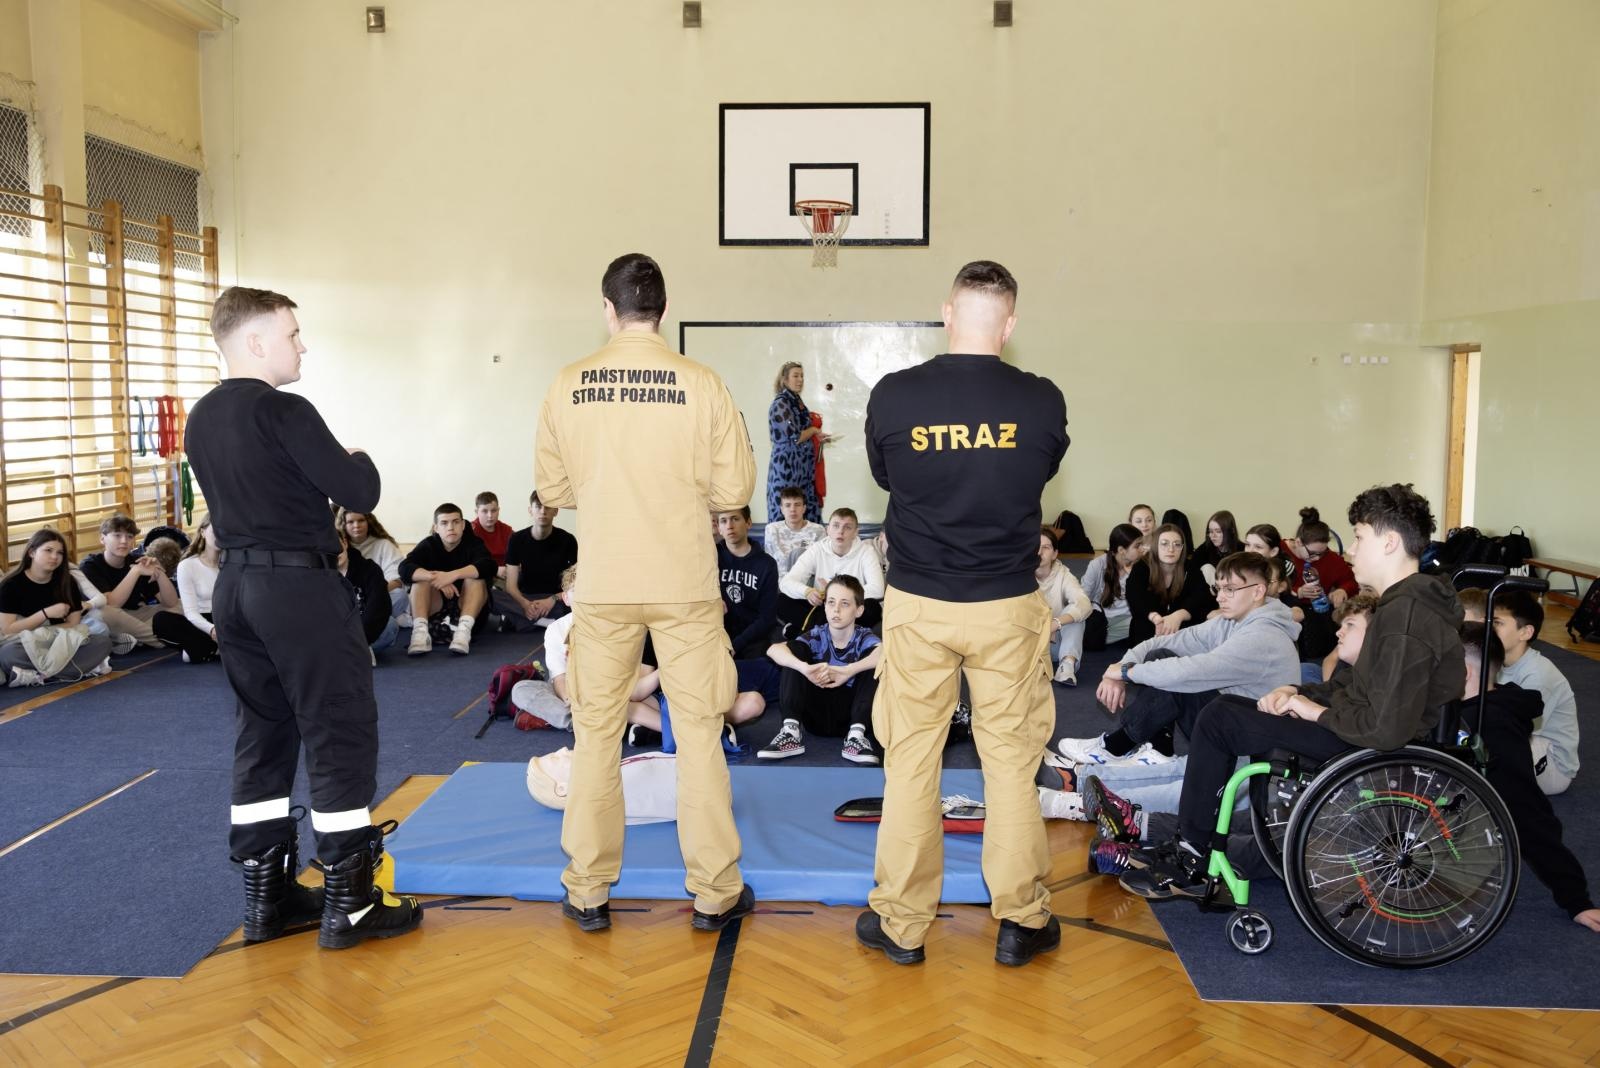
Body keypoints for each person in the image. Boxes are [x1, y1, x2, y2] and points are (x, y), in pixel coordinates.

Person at [186, 286, 419, 949]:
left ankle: (268, 901)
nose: (302, 343)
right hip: (297, 592)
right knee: (337, 729)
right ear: (255, 341)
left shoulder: (201, 417)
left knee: (262, 737)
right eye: (292, 332)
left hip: (236, 591)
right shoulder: (284, 409)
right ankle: (352, 905)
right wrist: (359, 457)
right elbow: (360, 493)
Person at [535, 252, 757, 934]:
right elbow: (734, 493)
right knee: (699, 735)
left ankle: (588, 891)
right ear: (663, 308)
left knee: (597, 733)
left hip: (603, 588)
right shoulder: (703, 382)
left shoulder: (568, 385)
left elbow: (554, 493)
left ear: (609, 309)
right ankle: (715, 893)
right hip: (685, 585)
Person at [859, 259, 1069, 967]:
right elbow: (1037, 472)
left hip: (919, 604)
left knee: (911, 760)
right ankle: (1021, 919)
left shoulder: (894, 396)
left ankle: (901, 923)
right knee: (1010, 764)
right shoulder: (1042, 402)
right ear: (1009, 325)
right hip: (1006, 606)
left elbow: (889, 477)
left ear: (946, 313)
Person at [1120, 483, 1464, 902]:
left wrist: (1311, 711)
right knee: (1224, 710)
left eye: (1358, 537)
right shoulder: (1400, 606)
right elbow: (1352, 686)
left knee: (1220, 718)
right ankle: (1193, 845)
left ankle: (1193, 854)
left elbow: (1385, 727)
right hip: (1357, 729)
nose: (1351, 551)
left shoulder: (1407, 615)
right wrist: (1298, 691)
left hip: (1374, 748)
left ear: (1390, 542)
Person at [1056, 550, 1299, 765]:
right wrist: (1121, 667)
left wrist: (1127, 673)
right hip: (1231, 717)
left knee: (1180, 676)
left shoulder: (1263, 637)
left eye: (1230, 590)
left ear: (1258, 591)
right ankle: (1160, 751)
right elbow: (1168, 641)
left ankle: (1116, 746)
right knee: (1160, 655)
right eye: (1219, 588)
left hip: (1251, 745)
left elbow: (1194, 672)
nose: (1220, 597)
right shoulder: (1231, 620)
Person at [1458, 623, 1599, 931]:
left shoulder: (1493, 726)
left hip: (1472, 835)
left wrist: (1576, 900)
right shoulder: (1465, 710)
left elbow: (1528, 812)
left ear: (1464, 674)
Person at [759, 574, 883, 764]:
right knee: (793, 654)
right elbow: (773, 650)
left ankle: (857, 736)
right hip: (815, 716)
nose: (836, 610)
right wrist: (805, 668)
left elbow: (886, 652)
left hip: (851, 716)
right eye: (831, 602)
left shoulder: (863, 637)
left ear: (859, 610)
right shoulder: (818, 635)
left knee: (874, 660)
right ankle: (791, 732)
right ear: (824, 606)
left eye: (845, 604)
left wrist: (849, 670)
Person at [79, 513, 212, 660]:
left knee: (181, 605)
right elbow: (113, 603)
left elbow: (170, 602)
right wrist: (134, 572)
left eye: (129, 536)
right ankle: (162, 639)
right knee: (104, 612)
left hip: (137, 616)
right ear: (102, 539)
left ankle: (138, 639)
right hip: (112, 616)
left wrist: (160, 572)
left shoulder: (138, 560)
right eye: (117, 535)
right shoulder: (90, 565)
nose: (124, 541)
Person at [1490, 590, 1579, 794]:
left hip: (1555, 768)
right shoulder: (1499, 662)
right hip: (1529, 742)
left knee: (1498, 742)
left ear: (1525, 633)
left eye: (1497, 623)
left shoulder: (1538, 676)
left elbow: (1521, 733)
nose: (1488, 628)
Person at [0, 528, 113, 686]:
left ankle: (38, 676)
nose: (54, 557)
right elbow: (8, 629)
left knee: (103, 643)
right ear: (31, 552)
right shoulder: (11, 584)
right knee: (8, 654)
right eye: (48, 550)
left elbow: (73, 624)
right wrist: (45, 614)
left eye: (60, 553)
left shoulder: (67, 582)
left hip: (58, 639)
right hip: (26, 641)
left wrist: (49, 633)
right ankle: (74, 671)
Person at [399, 503, 496, 657]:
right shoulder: (428, 545)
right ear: (436, 527)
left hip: (468, 611)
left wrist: (454, 575)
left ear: (463, 525)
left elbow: (489, 566)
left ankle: (463, 633)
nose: (451, 527)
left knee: (475, 578)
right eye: (444, 523)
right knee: (420, 579)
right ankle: (420, 633)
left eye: (456, 522)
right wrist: (435, 578)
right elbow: (404, 568)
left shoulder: (474, 543)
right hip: (436, 611)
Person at [777, 507, 885, 632]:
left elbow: (877, 589)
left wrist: (836, 593)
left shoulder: (866, 551)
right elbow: (786, 582)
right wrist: (807, 591)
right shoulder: (817, 549)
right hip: (822, 605)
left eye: (847, 527)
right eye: (836, 526)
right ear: (828, 530)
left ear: (856, 532)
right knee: (782, 600)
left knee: (873, 608)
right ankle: (826, 634)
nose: (841, 531)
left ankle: (806, 632)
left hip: (849, 607)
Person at [499, 490, 579, 632]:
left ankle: (519, 620)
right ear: (531, 510)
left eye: (548, 507)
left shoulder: (568, 540)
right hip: (526, 597)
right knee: (492, 596)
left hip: (556, 599)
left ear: (556, 511)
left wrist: (551, 600)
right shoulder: (517, 539)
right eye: (538, 506)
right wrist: (525, 604)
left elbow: (576, 582)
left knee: (573, 603)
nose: (543, 511)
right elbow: (511, 586)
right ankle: (543, 622)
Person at [1125, 523, 1215, 645]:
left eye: (1177, 544)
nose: (1171, 549)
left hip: (1181, 628)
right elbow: (1135, 596)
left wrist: (1179, 615)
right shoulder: (1142, 567)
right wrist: (1155, 618)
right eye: (1164, 544)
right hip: (1150, 627)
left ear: (1182, 548)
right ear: (1155, 546)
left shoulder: (1190, 567)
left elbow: (1203, 596)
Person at [767, 362, 830, 523]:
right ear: (784, 380)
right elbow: (796, 436)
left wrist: (817, 437)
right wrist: (814, 431)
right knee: (786, 517)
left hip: (803, 472)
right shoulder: (781, 403)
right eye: (795, 376)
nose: (800, 379)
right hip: (787, 471)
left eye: (802, 376)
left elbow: (804, 432)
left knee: (809, 518)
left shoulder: (797, 402)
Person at [717, 506, 779, 659]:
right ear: (718, 528)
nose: (729, 526)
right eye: (723, 521)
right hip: (715, 635)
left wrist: (735, 646)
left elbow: (767, 618)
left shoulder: (767, 564)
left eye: (735, 519)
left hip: (751, 640)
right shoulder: (711, 556)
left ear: (748, 523)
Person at [1035, 528, 1092, 686]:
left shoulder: (1063, 574)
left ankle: (1067, 666)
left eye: (1046, 548)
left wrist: (1056, 624)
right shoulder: (1020, 575)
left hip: (1056, 644)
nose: (1039, 552)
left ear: (1054, 553)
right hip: (1031, 642)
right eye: (1035, 546)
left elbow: (1084, 603)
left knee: (1077, 614)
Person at [1079, 524, 1145, 649]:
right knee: (1079, 626)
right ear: (1121, 550)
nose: (1142, 549)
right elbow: (1082, 598)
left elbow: (1144, 603)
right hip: (1101, 619)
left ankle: (1096, 638)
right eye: (1137, 546)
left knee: (1146, 625)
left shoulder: (1142, 566)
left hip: (1127, 620)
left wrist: (1133, 577)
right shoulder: (1097, 565)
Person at [336, 508, 407, 622]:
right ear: (343, 525)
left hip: (380, 596)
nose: (356, 525)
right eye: (350, 522)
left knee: (400, 595)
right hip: (350, 601)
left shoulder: (384, 545)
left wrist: (372, 595)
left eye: (361, 520)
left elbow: (397, 581)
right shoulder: (339, 548)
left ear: (368, 521)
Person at [1285, 506, 1357, 612]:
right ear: (1298, 542)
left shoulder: (1331, 559)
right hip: (1287, 610)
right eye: (1312, 553)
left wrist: (1343, 590)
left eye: (1322, 553)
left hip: (1318, 610)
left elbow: (1351, 581)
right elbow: (1270, 587)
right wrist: (1298, 592)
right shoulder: (1280, 551)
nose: (1317, 558)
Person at [338, 529, 397, 657]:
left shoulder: (369, 569)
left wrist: (360, 638)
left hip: (362, 627)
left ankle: (350, 652)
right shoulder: (318, 575)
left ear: (345, 543)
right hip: (336, 632)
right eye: (328, 551)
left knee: (390, 626)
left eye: (337, 546)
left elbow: (378, 606)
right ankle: (353, 653)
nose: (335, 553)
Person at [174, 515, 223, 663]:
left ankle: (210, 649)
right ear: (202, 532)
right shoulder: (187, 565)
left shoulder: (232, 564)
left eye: (224, 531)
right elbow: (191, 612)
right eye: (215, 530)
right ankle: (215, 647)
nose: (220, 535)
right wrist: (212, 629)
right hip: (202, 622)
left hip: (227, 619)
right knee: (162, 620)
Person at [762, 485, 826, 572]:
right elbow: (768, 563)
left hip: (806, 581)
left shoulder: (818, 530)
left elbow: (821, 564)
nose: (792, 509)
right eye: (788, 505)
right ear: (782, 509)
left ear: (804, 508)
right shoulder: (772, 529)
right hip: (778, 582)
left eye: (797, 505)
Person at [471, 491, 513, 580]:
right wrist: (495, 570)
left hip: (507, 575)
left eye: (493, 511)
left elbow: (516, 557)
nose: (490, 515)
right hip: (482, 576)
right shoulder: (470, 532)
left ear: (498, 510)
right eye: (484, 511)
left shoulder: (507, 530)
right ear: (476, 512)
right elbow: (469, 563)